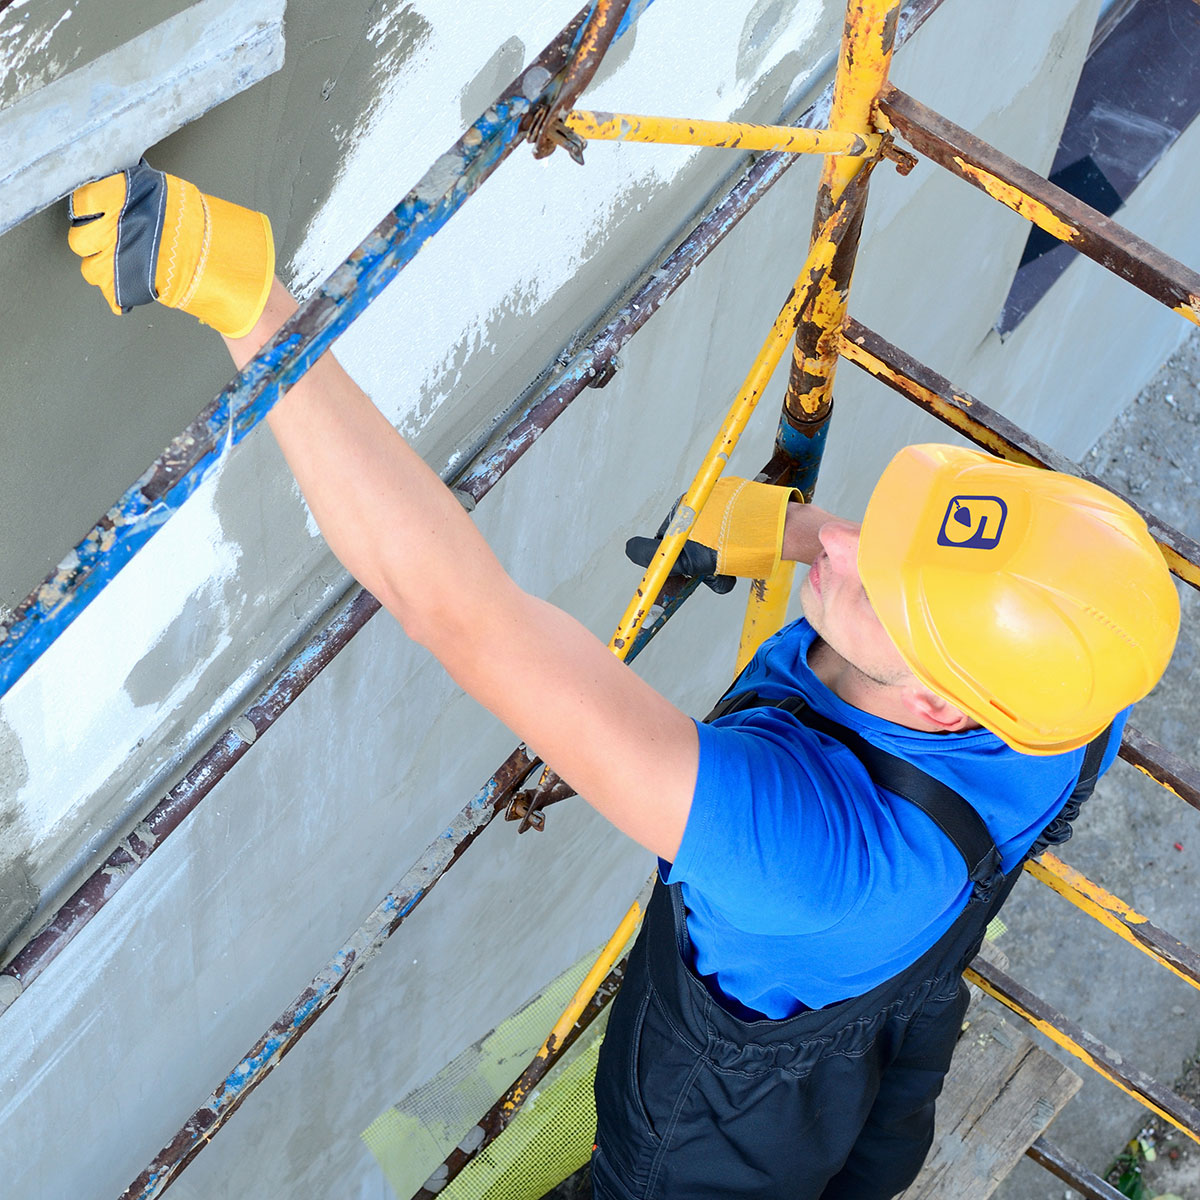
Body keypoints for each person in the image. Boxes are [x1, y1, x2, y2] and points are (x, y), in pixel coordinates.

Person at [67, 162, 1180, 1198]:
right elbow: (907, 578)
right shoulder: (1067, 666)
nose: (838, 545)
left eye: (873, 583)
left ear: (939, 702)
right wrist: (784, 539)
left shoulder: (798, 857)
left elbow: (460, 615)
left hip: (715, 1152)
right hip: (904, 1011)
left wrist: (256, 310)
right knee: (873, 1163)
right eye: (875, 527)